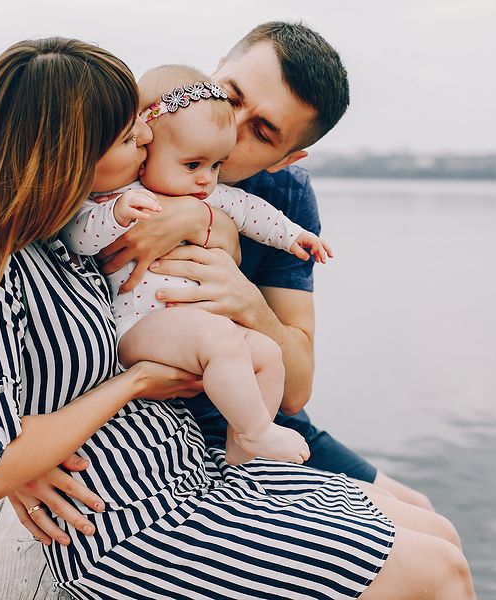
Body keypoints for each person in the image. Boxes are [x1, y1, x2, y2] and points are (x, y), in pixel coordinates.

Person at [0, 37, 476, 599]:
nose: (148, 140)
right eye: (131, 136)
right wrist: (133, 386)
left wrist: (209, 233)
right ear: (73, 151)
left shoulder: (64, 240)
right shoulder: (11, 261)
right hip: (133, 522)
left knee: (439, 534)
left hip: (194, 468)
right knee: (438, 570)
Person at [99, 21, 436, 509]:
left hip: (262, 418)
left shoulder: (284, 197)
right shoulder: (122, 150)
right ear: (212, 73)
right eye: (230, 96)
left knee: (422, 510)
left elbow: (296, 390)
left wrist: (247, 297)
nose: (230, 130)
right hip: (156, 428)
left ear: (285, 157)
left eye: (261, 131)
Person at [59, 63, 332, 466]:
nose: (207, 178)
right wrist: (115, 214)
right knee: (221, 341)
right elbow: (77, 236)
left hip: (192, 336)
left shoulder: (204, 190)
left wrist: (293, 237)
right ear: (145, 144)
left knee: (265, 355)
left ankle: (245, 451)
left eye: (215, 166)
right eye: (233, 97)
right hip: (138, 329)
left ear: (287, 157)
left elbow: (252, 212)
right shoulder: (117, 188)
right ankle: (257, 432)